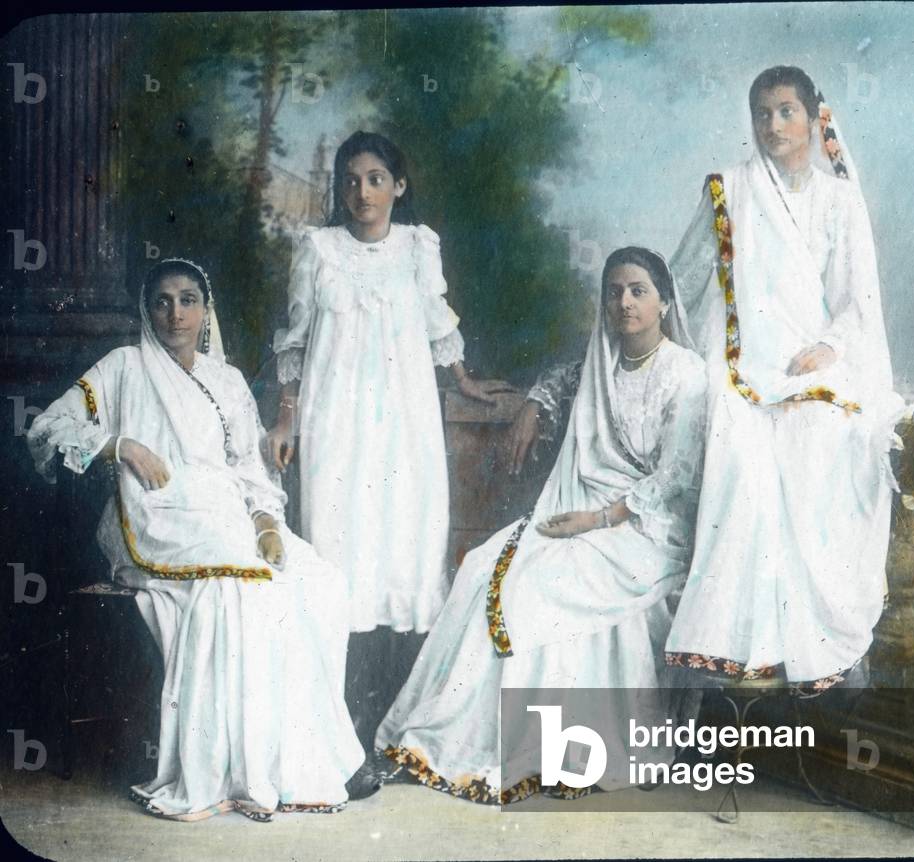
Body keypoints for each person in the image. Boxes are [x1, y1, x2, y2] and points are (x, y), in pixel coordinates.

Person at [27, 259, 376, 821]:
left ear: (206, 309)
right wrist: (123, 445)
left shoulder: (227, 379)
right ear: (147, 308)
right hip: (155, 515)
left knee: (319, 583)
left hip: (226, 515)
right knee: (245, 593)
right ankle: (259, 770)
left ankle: (314, 761)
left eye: (189, 300)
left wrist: (265, 521)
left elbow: (248, 465)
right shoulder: (124, 367)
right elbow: (48, 426)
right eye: (162, 301)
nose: (176, 313)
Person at [376, 247, 708, 803]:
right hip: (585, 508)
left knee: (545, 580)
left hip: (648, 527)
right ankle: (465, 736)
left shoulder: (687, 373)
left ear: (665, 304)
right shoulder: (602, 361)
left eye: (638, 291)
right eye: (614, 292)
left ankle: (547, 750)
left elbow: (676, 475)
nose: (624, 302)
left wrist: (600, 519)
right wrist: (534, 402)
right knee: (486, 564)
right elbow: (565, 378)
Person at [663, 66, 911, 689]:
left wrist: (828, 346)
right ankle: (741, 644)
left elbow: (859, 301)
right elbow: (681, 278)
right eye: (763, 114)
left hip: (810, 363)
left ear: (813, 118)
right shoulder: (732, 190)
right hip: (743, 364)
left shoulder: (839, 198)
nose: (774, 125)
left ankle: (816, 630)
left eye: (786, 111)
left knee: (822, 437)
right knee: (740, 453)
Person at [264, 132, 501, 749]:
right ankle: (336, 729)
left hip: (404, 420)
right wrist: (287, 418)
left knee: (404, 548)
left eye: (375, 179)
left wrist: (464, 379)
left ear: (398, 186)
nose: (361, 192)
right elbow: (294, 341)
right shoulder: (317, 250)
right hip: (336, 420)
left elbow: (437, 322)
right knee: (339, 545)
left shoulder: (419, 248)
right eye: (349, 180)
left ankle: (395, 722)